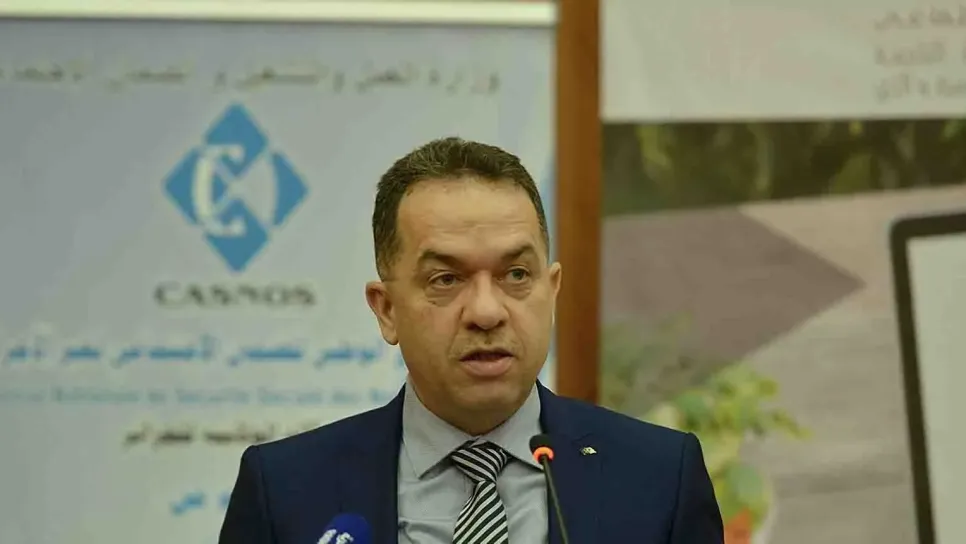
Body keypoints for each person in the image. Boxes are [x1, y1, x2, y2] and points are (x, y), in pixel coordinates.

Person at [219, 137, 723, 544]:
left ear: (551, 292)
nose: (486, 312)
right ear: (387, 310)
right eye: (446, 279)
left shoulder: (660, 479)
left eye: (517, 274)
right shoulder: (284, 492)